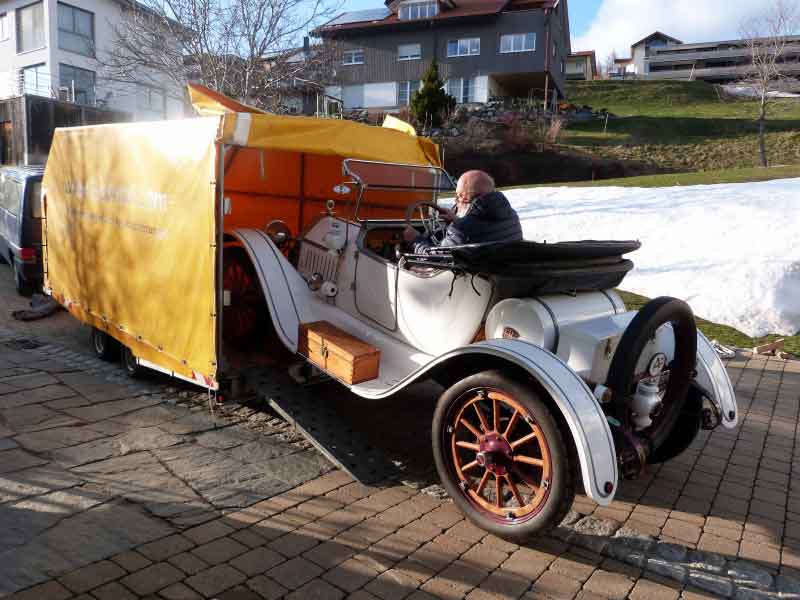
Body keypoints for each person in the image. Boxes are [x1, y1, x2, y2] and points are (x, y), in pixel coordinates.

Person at [403, 170, 522, 253]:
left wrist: (416, 240)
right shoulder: (511, 217)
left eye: (457, 196)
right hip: (502, 274)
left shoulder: (461, 230)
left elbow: (436, 259)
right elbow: (480, 229)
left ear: (464, 198)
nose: (456, 201)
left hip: (473, 281)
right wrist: (456, 220)